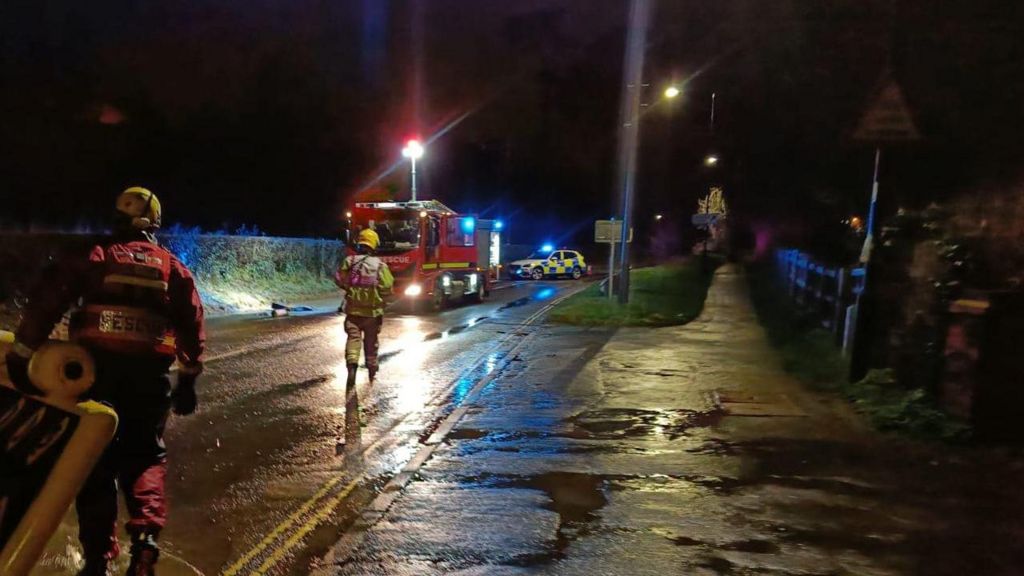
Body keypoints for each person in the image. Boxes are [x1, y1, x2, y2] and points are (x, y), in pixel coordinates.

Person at [5, 187, 205, 576]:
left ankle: (98, 557)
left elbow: (51, 298)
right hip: (149, 380)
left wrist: (23, 353)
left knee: (94, 463)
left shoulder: (97, 256)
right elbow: (192, 325)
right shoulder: (172, 268)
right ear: (155, 224)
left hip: (94, 376)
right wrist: (189, 378)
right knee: (146, 457)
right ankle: (145, 538)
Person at [335, 228, 393, 385]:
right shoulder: (380, 266)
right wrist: (383, 298)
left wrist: (349, 288)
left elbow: (339, 278)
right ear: (374, 245)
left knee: (353, 339)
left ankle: (352, 367)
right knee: (371, 342)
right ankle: (372, 370)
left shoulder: (350, 261)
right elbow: (387, 286)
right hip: (373, 314)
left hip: (353, 312)